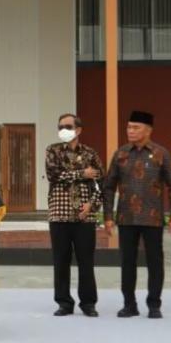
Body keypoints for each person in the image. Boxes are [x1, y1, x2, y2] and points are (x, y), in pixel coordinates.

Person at [104, 111, 171, 319]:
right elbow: (109, 186)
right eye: (128, 127)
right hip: (126, 218)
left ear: (148, 130)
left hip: (152, 217)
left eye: (135, 127)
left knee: (155, 262)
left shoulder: (160, 153)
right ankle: (129, 304)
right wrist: (108, 216)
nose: (130, 131)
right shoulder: (121, 154)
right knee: (127, 262)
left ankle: (154, 304)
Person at [45, 114, 104, 317]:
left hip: (84, 216)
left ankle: (88, 303)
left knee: (86, 261)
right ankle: (64, 302)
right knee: (61, 261)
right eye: (60, 126)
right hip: (59, 214)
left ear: (78, 129)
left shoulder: (90, 153)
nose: (63, 129)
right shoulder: (53, 150)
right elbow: (53, 175)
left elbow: (100, 182)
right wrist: (81, 174)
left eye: (68, 126)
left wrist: (92, 205)